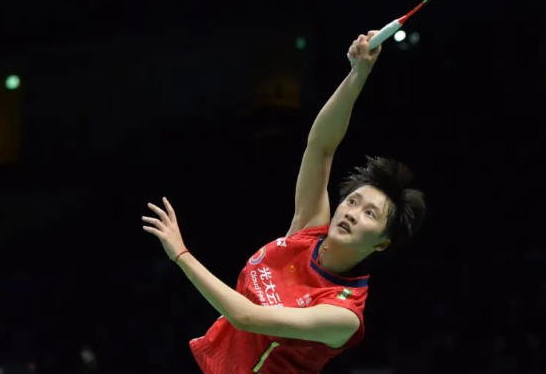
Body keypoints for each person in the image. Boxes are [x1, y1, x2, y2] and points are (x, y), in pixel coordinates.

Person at [142, 30, 427, 373]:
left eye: (370, 214)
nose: (352, 214)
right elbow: (321, 147)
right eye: (353, 202)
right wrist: (358, 74)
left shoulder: (343, 313)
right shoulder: (308, 230)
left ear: (382, 243)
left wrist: (181, 254)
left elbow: (247, 317)